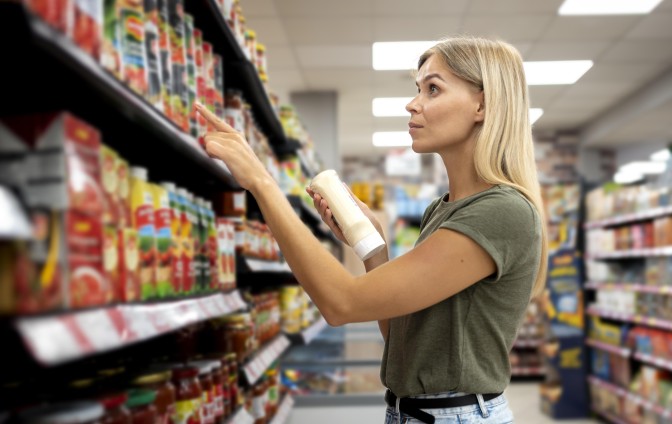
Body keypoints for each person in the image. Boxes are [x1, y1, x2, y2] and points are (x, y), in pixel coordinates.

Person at [195, 36, 547, 424]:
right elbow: (400, 337)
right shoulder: (443, 210)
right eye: (417, 89)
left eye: (433, 88)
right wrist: (370, 245)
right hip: (414, 411)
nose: (412, 104)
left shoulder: (502, 211)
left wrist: (261, 184)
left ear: (482, 104)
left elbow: (340, 303)